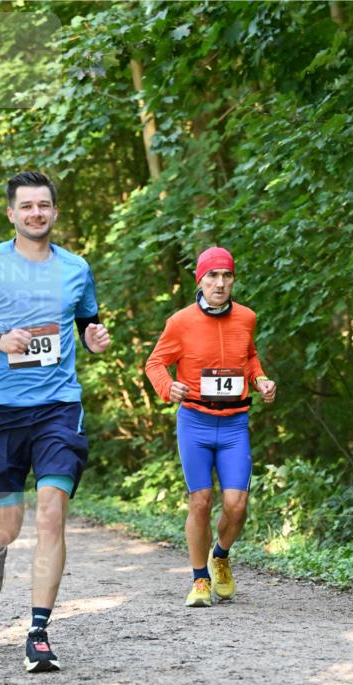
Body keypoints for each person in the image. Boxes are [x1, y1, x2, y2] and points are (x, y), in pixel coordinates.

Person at [0, 170, 110, 673]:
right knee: (8, 523)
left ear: (55, 211)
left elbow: (87, 320)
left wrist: (93, 339)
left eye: (44, 205)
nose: (37, 213)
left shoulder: (76, 268)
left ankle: (38, 632)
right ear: (12, 213)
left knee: (52, 510)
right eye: (27, 206)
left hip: (58, 406)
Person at [145, 246, 276, 607]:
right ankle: (199, 579)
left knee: (237, 505)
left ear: (233, 280)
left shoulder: (246, 318)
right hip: (195, 423)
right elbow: (155, 363)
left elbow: (249, 357)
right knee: (200, 502)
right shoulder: (180, 322)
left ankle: (220, 555)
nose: (220, 283)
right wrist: (167, 386)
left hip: (234, 424)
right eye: (212, 276)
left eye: (226, 275)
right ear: (199, 281)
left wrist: (260, 379)